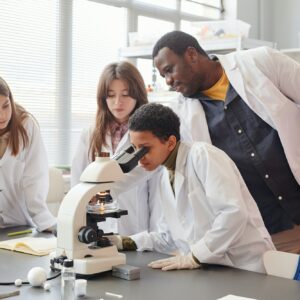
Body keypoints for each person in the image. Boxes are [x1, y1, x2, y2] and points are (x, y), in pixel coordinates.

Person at [151, 31, 300, 241]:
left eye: (169, 70)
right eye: (164, 76)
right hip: (267, 231)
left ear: (191, 54)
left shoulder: (262, 61)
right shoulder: (182, 117)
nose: (168, 81)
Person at [108, 103, 275, 273]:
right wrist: (124, 242)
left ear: (171, 142)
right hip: (214, 271)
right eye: (135, 149)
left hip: (246, 266)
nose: (139, 158)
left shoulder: (203, 156)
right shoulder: (165, 176)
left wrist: (195, 256)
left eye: (145, 149)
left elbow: (233, 214)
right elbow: (169, 237)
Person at [71, 61, 162, 236]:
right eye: (111, 95)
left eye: (125, 95)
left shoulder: (150, 137)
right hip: (96, 231)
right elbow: (78, 182)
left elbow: (157, 193)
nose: (117, 102)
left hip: (137, 232)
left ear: (138, 95)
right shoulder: (90, 134)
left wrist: (155, 236)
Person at [0, 77, 56, 232]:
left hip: (20, 224)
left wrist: (44, 220)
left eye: (6, 106)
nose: (2, 116)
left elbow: (34, 177)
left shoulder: (26, 125)